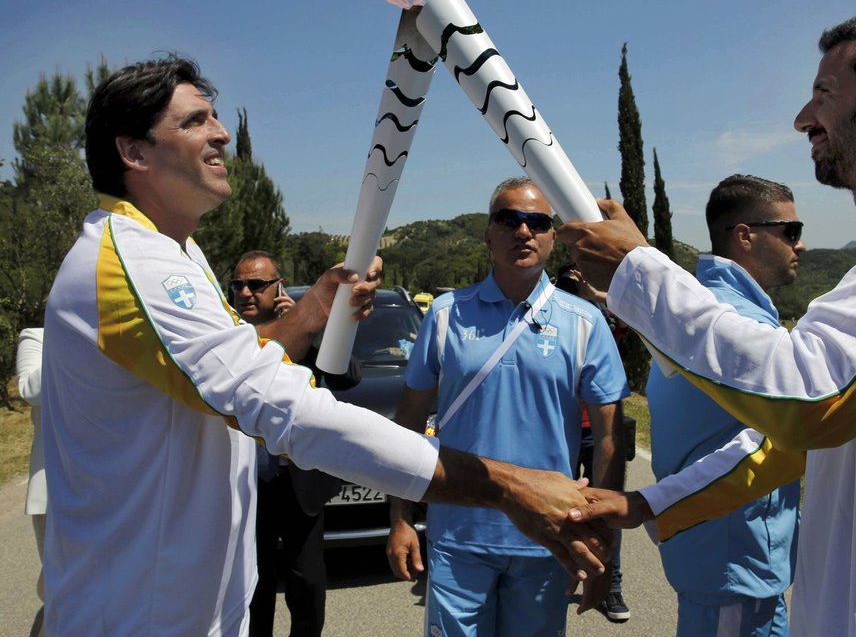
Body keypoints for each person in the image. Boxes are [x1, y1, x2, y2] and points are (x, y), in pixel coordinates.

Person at [40, 56, 610, 636]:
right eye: (194, 122)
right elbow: (289, 410)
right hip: (138, 617)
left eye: (215, 116)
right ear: (134, 152)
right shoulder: (133, 263)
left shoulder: (178, 254)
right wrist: (509, 486)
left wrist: (313, 311)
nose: (221, 132)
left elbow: (234, 361)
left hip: (180, 608)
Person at [561, 9, 856, 635]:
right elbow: (786, 444)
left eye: (825, 93)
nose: (802, 118)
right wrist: (647, 503)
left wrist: (639, 272)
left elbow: (812, 395)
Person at [386, 177, 630, 637]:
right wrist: (400, 519)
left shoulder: (585, 323)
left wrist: (604, 546)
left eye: (537, 222)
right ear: (489, 234)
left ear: (553, 237)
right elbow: (409, 423)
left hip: (547, 538)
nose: (523, 231)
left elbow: (610, 439)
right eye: (508, 219)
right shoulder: (445, 315)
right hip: (458, 538)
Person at [645, 174, 803, 636]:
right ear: (745, 235)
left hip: (732, 557)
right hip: (737, 556)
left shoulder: (696, 311)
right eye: (790, 231)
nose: (801, 244)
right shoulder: (741, 326)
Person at [231, 250, 344, 637]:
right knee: (252, 585)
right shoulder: (225, 334)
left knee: (307, 583)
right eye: (239, 285)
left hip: (299, 482)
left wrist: (304, 328)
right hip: (244, 484)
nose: (246, 292)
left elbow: (349, 376)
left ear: (278, 286)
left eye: (257, 284)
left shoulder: (304, 329)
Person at [555, 262, 631, 622]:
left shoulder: (600, 315)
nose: (574, 282)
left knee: (607, 509)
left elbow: (631, 327)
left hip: (598, 428)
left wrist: (596, 296)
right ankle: (561, 572)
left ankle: (610, 584)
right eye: (568, 276)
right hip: (562, 427)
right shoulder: (549, 311)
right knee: (562, 508)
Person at [16, 327, 46, 637]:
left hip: (111, 482)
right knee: (58, 585)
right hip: (54, 487)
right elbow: (28, 390)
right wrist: (74, 346)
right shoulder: (37, 337)